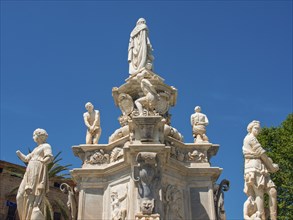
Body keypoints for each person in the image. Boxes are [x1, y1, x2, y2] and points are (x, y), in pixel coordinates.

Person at [243, 120, 279, 220]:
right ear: (250, 129)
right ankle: (261, 217)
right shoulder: (250, 138)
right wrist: (272, 167)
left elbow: (261, 155)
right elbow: (261, 154)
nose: (258, 130)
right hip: (253, 168)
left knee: (272, 191)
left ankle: (273, 217)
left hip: (261, 168)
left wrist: (269, 166)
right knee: (259, 194)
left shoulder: (254, 138)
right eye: (256, 128)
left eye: (259, 129)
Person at [16, 128, 53, 220]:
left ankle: (30, 216)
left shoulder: (46, 146)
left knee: (32, 195)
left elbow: (49, 156)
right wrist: (19, 154)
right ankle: (24, 217)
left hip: (37, 170)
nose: (33, 137)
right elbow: (26, 159)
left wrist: (43, 162)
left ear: (39, 136)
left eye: (34, 135)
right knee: (19, 196)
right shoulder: (35, 149)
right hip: (29, 171)